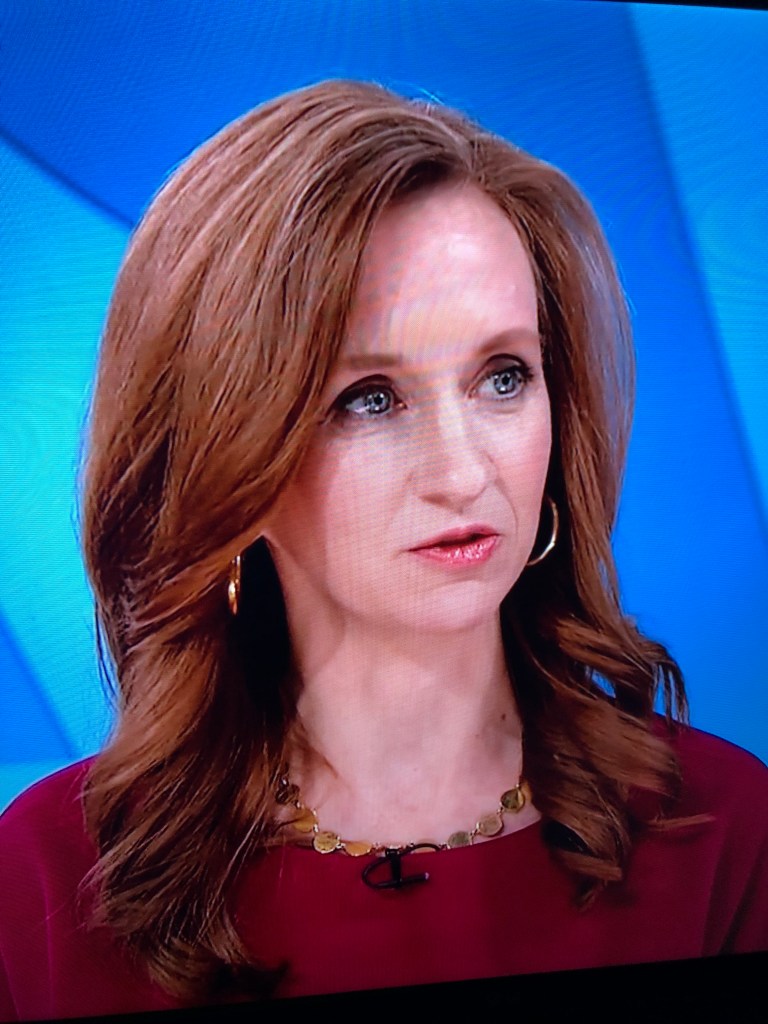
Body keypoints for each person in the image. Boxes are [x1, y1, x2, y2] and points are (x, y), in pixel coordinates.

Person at [1, 79, 766, 1021]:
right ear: (226, 452)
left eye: (503, 377)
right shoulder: (46, 880)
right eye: (368, 399)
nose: (464, 472)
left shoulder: (725, 833)